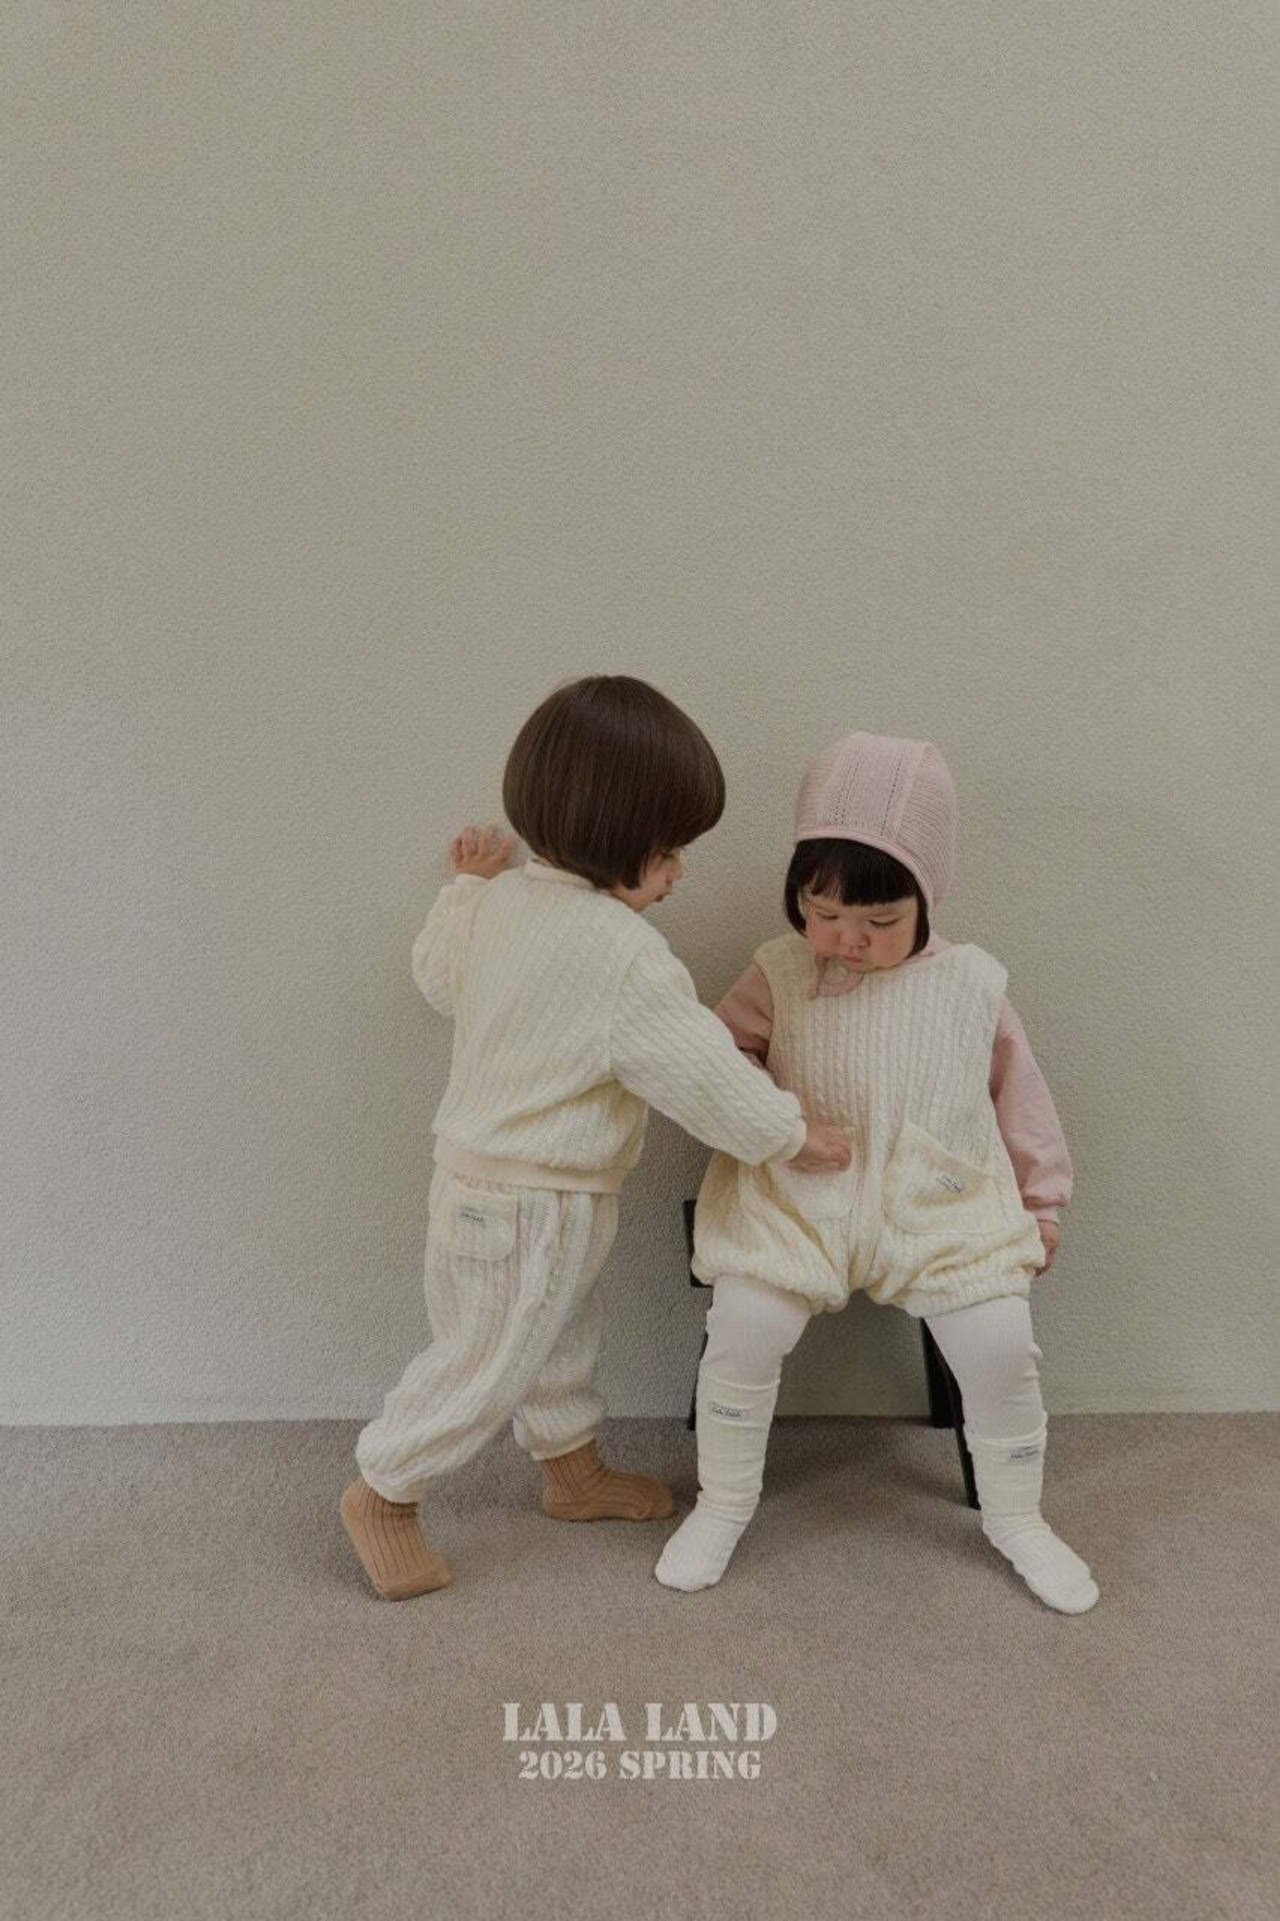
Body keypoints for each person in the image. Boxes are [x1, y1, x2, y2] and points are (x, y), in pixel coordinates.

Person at [340, 676, 850, 1600]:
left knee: (553, 1337)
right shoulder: (624, 954)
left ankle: (571, 1472)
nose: (679, 874)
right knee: (486, 1360)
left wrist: (464, 889)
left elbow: (438, 977)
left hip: (486, 1183)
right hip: (533, 1197)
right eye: (668, 854)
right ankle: (386, 1489)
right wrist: (789, 1135)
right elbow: (700, 1071)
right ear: (616, 843)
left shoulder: (501, 905)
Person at [654, 730, 1098, 1613]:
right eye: (823, 913)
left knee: (1000, 1342)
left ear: (926, 899)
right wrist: (778, 1126)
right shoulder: (780, 970)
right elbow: (711, 1061)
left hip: (938, 1205)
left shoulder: (971, 983)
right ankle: (724, 1500)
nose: (847, 940)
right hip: (795, 1202)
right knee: (745, 1323)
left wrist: (1042, 1203)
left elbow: (1022, 1098)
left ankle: (1018, 1516)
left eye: (880, 922)